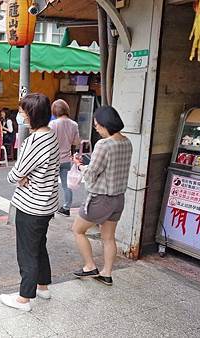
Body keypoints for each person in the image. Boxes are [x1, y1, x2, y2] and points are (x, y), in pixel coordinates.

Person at [0, 93, 60, 312]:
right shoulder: (51, 135)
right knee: (39, 246)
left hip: (31, 204)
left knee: (27, 251)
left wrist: (20, 177)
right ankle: (43, 286)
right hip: (46, 203)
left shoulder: (34, 141)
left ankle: (24, 298)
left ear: (32, 114)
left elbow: (14, 175)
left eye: (23, 111)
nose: (20, 115)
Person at [72, 106, 132, 286]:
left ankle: (90, 266)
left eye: (97, 125)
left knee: (78, 230)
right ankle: (107, 273)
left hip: (100, 198)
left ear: (106, 124)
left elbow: (91, 174)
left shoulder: (103, 144)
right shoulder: (127, 142)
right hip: (118, 198)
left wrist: (81, 166)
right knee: (108, 237)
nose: (96, 128)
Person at [49, 99, 80, 217]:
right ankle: (66, 208)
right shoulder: (74, 124)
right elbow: (76, 142)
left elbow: (49, 141)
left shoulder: (53, 124)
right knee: (66, 186)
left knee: (51, 185)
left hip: (53, 160)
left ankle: (50, 209)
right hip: (67, 159)